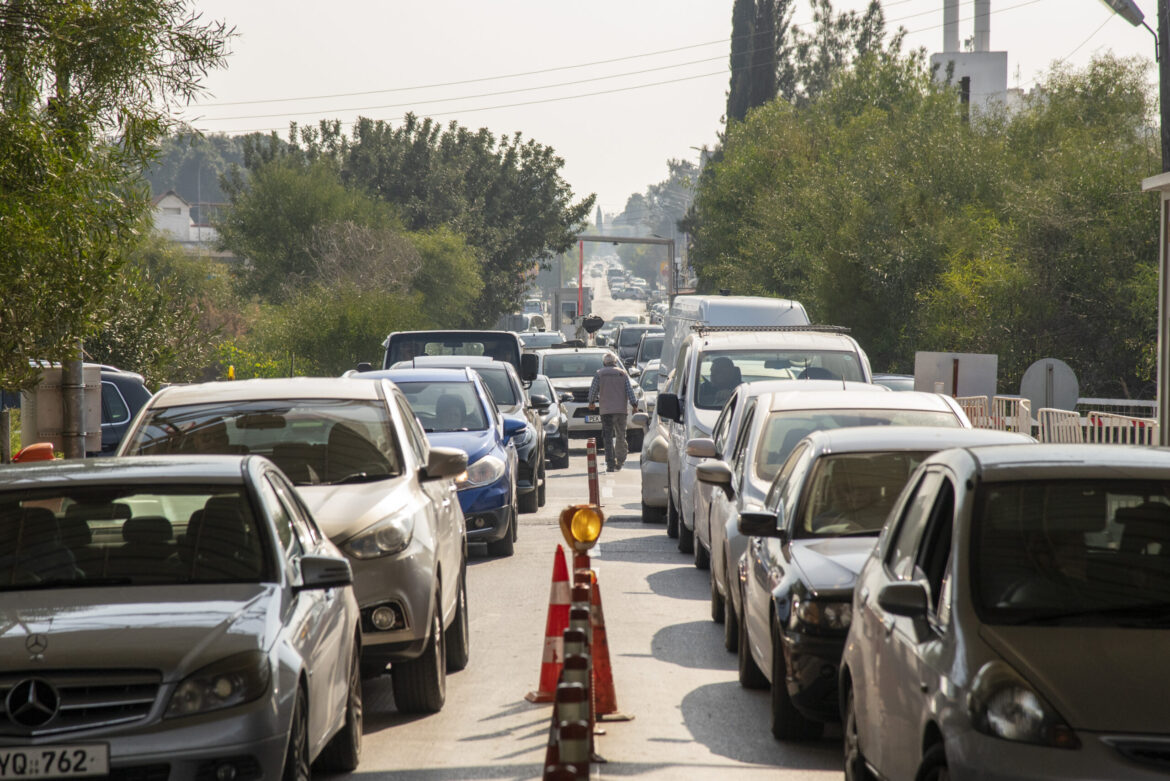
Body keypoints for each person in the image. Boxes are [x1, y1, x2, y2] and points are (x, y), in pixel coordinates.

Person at [587, 353, 638, 471]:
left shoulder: (599, 374)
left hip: (606, 411)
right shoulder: (622, 373)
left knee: (608, 437)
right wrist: (634, 405)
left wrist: (591, 402)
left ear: (604, 362)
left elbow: (593, 390)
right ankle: (620, 460)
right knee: (621, 436)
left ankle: (610, 463)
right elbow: (630, 391)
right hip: (621, 410)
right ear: (615, 362)